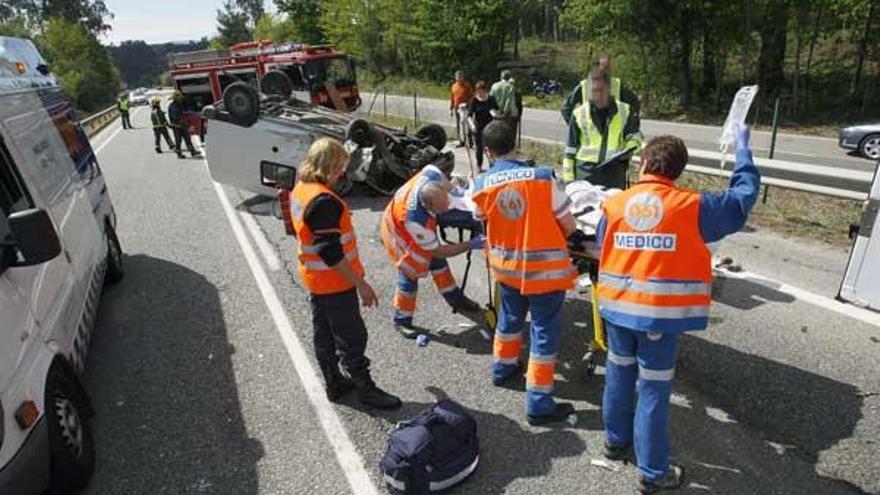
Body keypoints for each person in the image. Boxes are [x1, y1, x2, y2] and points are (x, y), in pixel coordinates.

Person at [597, 125, 760, 493]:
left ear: (643, 164)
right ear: (677, 171)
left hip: (617, 310)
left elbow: (601, 242)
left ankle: (614, 442)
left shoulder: (614, 203)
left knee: (619, 377)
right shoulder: (692, 206)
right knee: (652, 390)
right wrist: (743, 153)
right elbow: (741, 199)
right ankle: (653, 473)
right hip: (657, 317)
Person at [471, 121, 578, 426]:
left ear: (488, 152)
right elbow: (567, 224)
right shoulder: (543, 177)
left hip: (507, 269)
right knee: (543, 331)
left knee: (509, 320)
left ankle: (503, 369)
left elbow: (480, 218)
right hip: (544, 272)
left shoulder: (483, 184)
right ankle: (539, 403)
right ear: (515, 144)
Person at [290, 138, 402, 410]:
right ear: (328, 166)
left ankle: (335, 384)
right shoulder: (324, 201)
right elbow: (330, 251)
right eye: (339, 167)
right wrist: (360, 283)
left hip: (314, 279)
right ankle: (365, 389)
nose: (342, 173)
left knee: (324, 334)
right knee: (352, 337)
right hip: (334, 283)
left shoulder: (302, 188)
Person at [381, 164, 484, 338]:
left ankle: (456, 300)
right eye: (442, 207)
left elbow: (437, 173)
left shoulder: (431, 176)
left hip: (406, 215)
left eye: (446, 201)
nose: (447, 207)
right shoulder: (415, 221)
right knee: (411, 271)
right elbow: (438, 251)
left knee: (438, 266)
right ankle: (402, 320)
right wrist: (469, 244)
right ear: (428, 207)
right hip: (398, 234)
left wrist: (456, 190)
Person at [562, 69, 642, 187]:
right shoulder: (579, 114)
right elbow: (569, 150)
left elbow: (635, 137)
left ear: (609, 89)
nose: (597, 95)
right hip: (585, 173)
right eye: (594, 91)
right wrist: (569, 180)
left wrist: (629, 150)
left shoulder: (625, 111)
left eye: (601, 91)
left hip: (614, 172)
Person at [561, 54, 641, 126]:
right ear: (597, 67)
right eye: (603, 68)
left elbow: (634, 104)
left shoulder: (617, 85)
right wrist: (575, 126)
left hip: (612, 130)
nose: (606, 71)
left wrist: (630, 124)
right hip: (590, 131)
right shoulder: (585, 85)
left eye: (608, 68)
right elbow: (566, 108)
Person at [467, 81, 498, 171]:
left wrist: (495, 114)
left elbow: (497, 110)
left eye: (481, 91)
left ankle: (492, 165)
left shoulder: (491, 99)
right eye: (477, 91)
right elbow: (469, 115)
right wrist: (472, 125)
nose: (479, 93)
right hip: (478, 127)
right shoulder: (474, 100)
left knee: (490, 146)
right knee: (479, 147)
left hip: (490, 126)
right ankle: (479, 166)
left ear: (485, 90)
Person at [167, 91, 202, 159]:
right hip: (177, 127)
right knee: (178, 141)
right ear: (176, 98)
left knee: (187, 138)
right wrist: (185, 123)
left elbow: (181, 113)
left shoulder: (178, 105)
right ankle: (179, 154)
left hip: (181, 125)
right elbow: (176, 116)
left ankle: (192, 151)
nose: (180, 99)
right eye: (179, 98)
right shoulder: (173, 106)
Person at [490, 70, 520, 136]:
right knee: (506, 132)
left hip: (496, 112)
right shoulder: (510, 86)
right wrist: (505, 112)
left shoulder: (494, 85)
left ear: (501, 77)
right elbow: (509, 100)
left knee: (497, 132)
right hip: (507, 113)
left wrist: (495, 111)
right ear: (509, 77)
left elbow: (491, 99)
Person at [449, 70, 474, 147]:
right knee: (459, 125)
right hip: (457, 108)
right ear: (455, 78)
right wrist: (451, 109)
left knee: (467, 125)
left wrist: (467, 104)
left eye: (460, 77)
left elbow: (472, 97)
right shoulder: (454, 86)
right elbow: (452, 98)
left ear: (463, 77)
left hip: (465, 108)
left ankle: (470, 141)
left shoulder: (467, 86)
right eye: (457, 77)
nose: (459, 78)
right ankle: (461, 141)